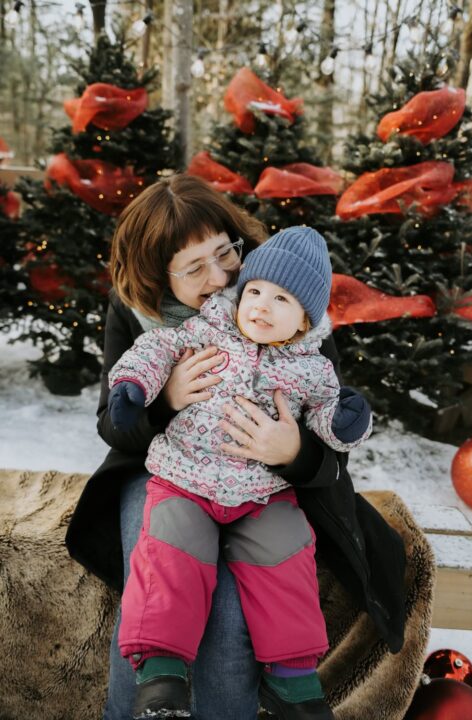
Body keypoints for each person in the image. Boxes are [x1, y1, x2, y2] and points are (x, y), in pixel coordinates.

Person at [65, 174, 407, 720]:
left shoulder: (283, 298)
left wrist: (292, 450)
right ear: (157, 275)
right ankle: (147, 704)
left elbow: (332, 426)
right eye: (193, 267)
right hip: (168, 471)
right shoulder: (138, 313)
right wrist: (165, 401)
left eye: (224, 253)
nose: (220, 277)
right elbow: (114, 422)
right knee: (161, 584)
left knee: (228, 616)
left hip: (266, 484)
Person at [107, 227, 372, 720]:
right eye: (255, 292)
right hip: (185, 478)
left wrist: (341, 425)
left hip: (263, 492)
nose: (261, 305)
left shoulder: (312, 367)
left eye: (281, 299)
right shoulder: (206, 328)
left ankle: (292, 679)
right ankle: (160, 673)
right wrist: (135, 388)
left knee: (287, 553)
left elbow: (327, 413)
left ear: (305, 320)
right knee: (171, 549)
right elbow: (155, 349)